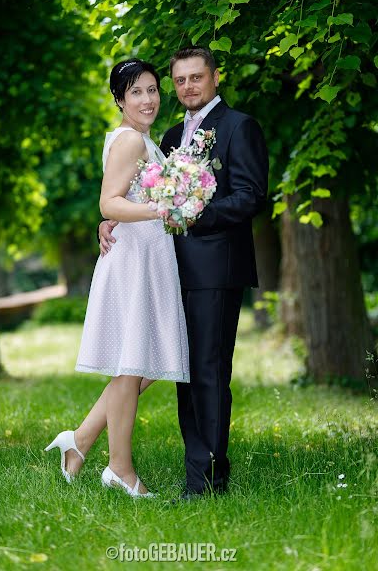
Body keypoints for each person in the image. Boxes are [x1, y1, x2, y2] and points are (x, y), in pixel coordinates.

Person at [99, 47, 269, 500]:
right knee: (183, 377)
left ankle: (208, 485)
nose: (188, 86)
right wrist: (111, 218)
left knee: (210, 374)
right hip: (170, 271)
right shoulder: (170, 136)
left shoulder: (240, 127)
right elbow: (136, 192)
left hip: (216, 269)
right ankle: (195, 476)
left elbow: (250, 196)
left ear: (216, 78)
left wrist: (192, 212)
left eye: (197, 77)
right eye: (180, 80)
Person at [45, 59, 189, 498]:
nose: (147, 99)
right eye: (136, 92)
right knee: (133, 366)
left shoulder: (141, 139)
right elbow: (109, 203)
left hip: (147, 255)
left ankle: (81, 440)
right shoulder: (129, 140)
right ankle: (120, 469)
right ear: (120, 100)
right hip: (134, 260)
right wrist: (163, 208)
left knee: (141, 364)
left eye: (152, 89)